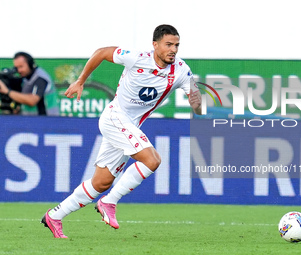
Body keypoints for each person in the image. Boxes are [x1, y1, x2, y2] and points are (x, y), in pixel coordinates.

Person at [41, 24, 202, 238]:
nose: (173, 49)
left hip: (128, 127)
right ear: (155, 45)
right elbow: (101, 53)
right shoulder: (136, 57)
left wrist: (196, 102)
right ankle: (109, 202)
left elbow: (197, 104)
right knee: (152, 160)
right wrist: (80, 81)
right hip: (114, 118)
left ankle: (55, 216)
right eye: (168, 44)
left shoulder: (181, 70)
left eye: (177, 45)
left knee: (101, 182)